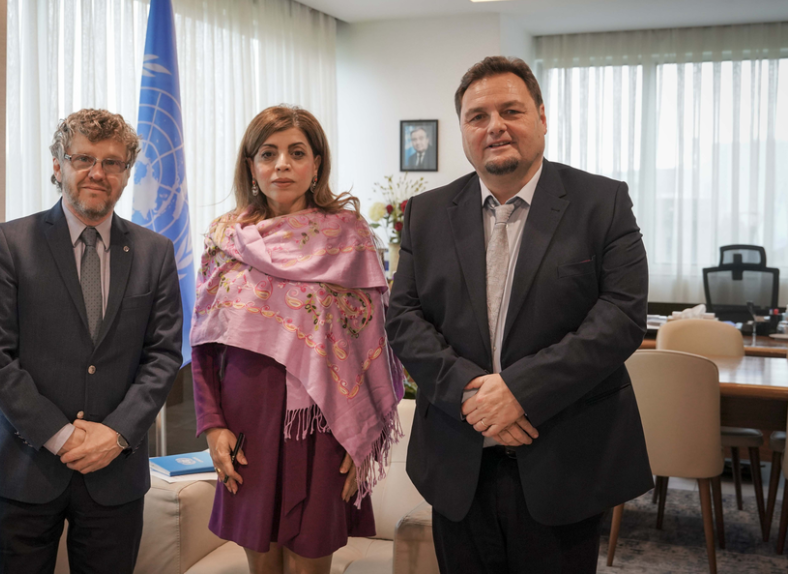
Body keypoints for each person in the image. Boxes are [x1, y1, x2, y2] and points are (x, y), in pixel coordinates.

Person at [386, 56, 652, 573]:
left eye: (511, 110)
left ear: (542, 117)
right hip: (458, 461)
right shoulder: (426, 214)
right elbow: (404, 317)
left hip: (563, 460)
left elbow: (621, 316)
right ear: (463, 129)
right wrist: (472, 395)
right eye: (477, 116)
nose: (495, 127)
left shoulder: (602, 202)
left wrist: (519, 392)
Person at [191, 105, 404, 574]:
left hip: (325, 428)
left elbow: (374, 344)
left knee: (311, 566)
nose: (282, 164)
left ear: (316, 165)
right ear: (251, 166)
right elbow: (204, 343)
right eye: (268, 153)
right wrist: (212, 425)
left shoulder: (350, 238)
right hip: (248, 427)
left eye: (296, 152)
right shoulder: (226, 238)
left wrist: (360, 435)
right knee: (262, 567)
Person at [0, 109, 183, 573]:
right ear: (57, 165)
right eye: (83, 158)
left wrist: (116, 434)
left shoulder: (155, 252)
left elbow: (164, 355)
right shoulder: (10, 242)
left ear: (127, 174)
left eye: (113, 162)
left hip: (115, 472)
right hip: (23, 470)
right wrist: (62, 436)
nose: (98, 172)